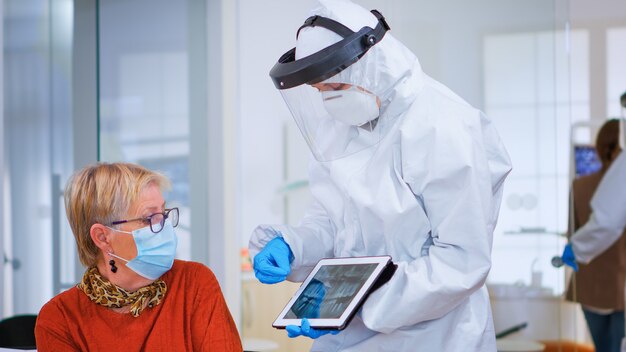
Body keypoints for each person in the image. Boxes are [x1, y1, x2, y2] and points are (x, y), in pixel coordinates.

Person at [248, 1, 512, 351]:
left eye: (336, 88)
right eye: (320, 92)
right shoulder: (339, 127)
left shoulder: (442, 125)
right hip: (346, 336)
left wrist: (359, 305)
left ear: (371, 64)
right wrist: (294, 247)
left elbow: (461, 261)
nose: (329, 102)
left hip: (433, 337)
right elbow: (333, 223)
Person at [35, 162, 242, 351]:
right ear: (103, 237)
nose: (164, 226)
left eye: (164, 213)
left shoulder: (194, 283)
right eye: (149, 218)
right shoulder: (59, 319)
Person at [565, 119, 626, 352]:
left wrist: (575, 248)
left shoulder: (580, 185)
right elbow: (608, 224)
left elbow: (572, 232)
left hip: (589, 284)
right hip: (620, 284)